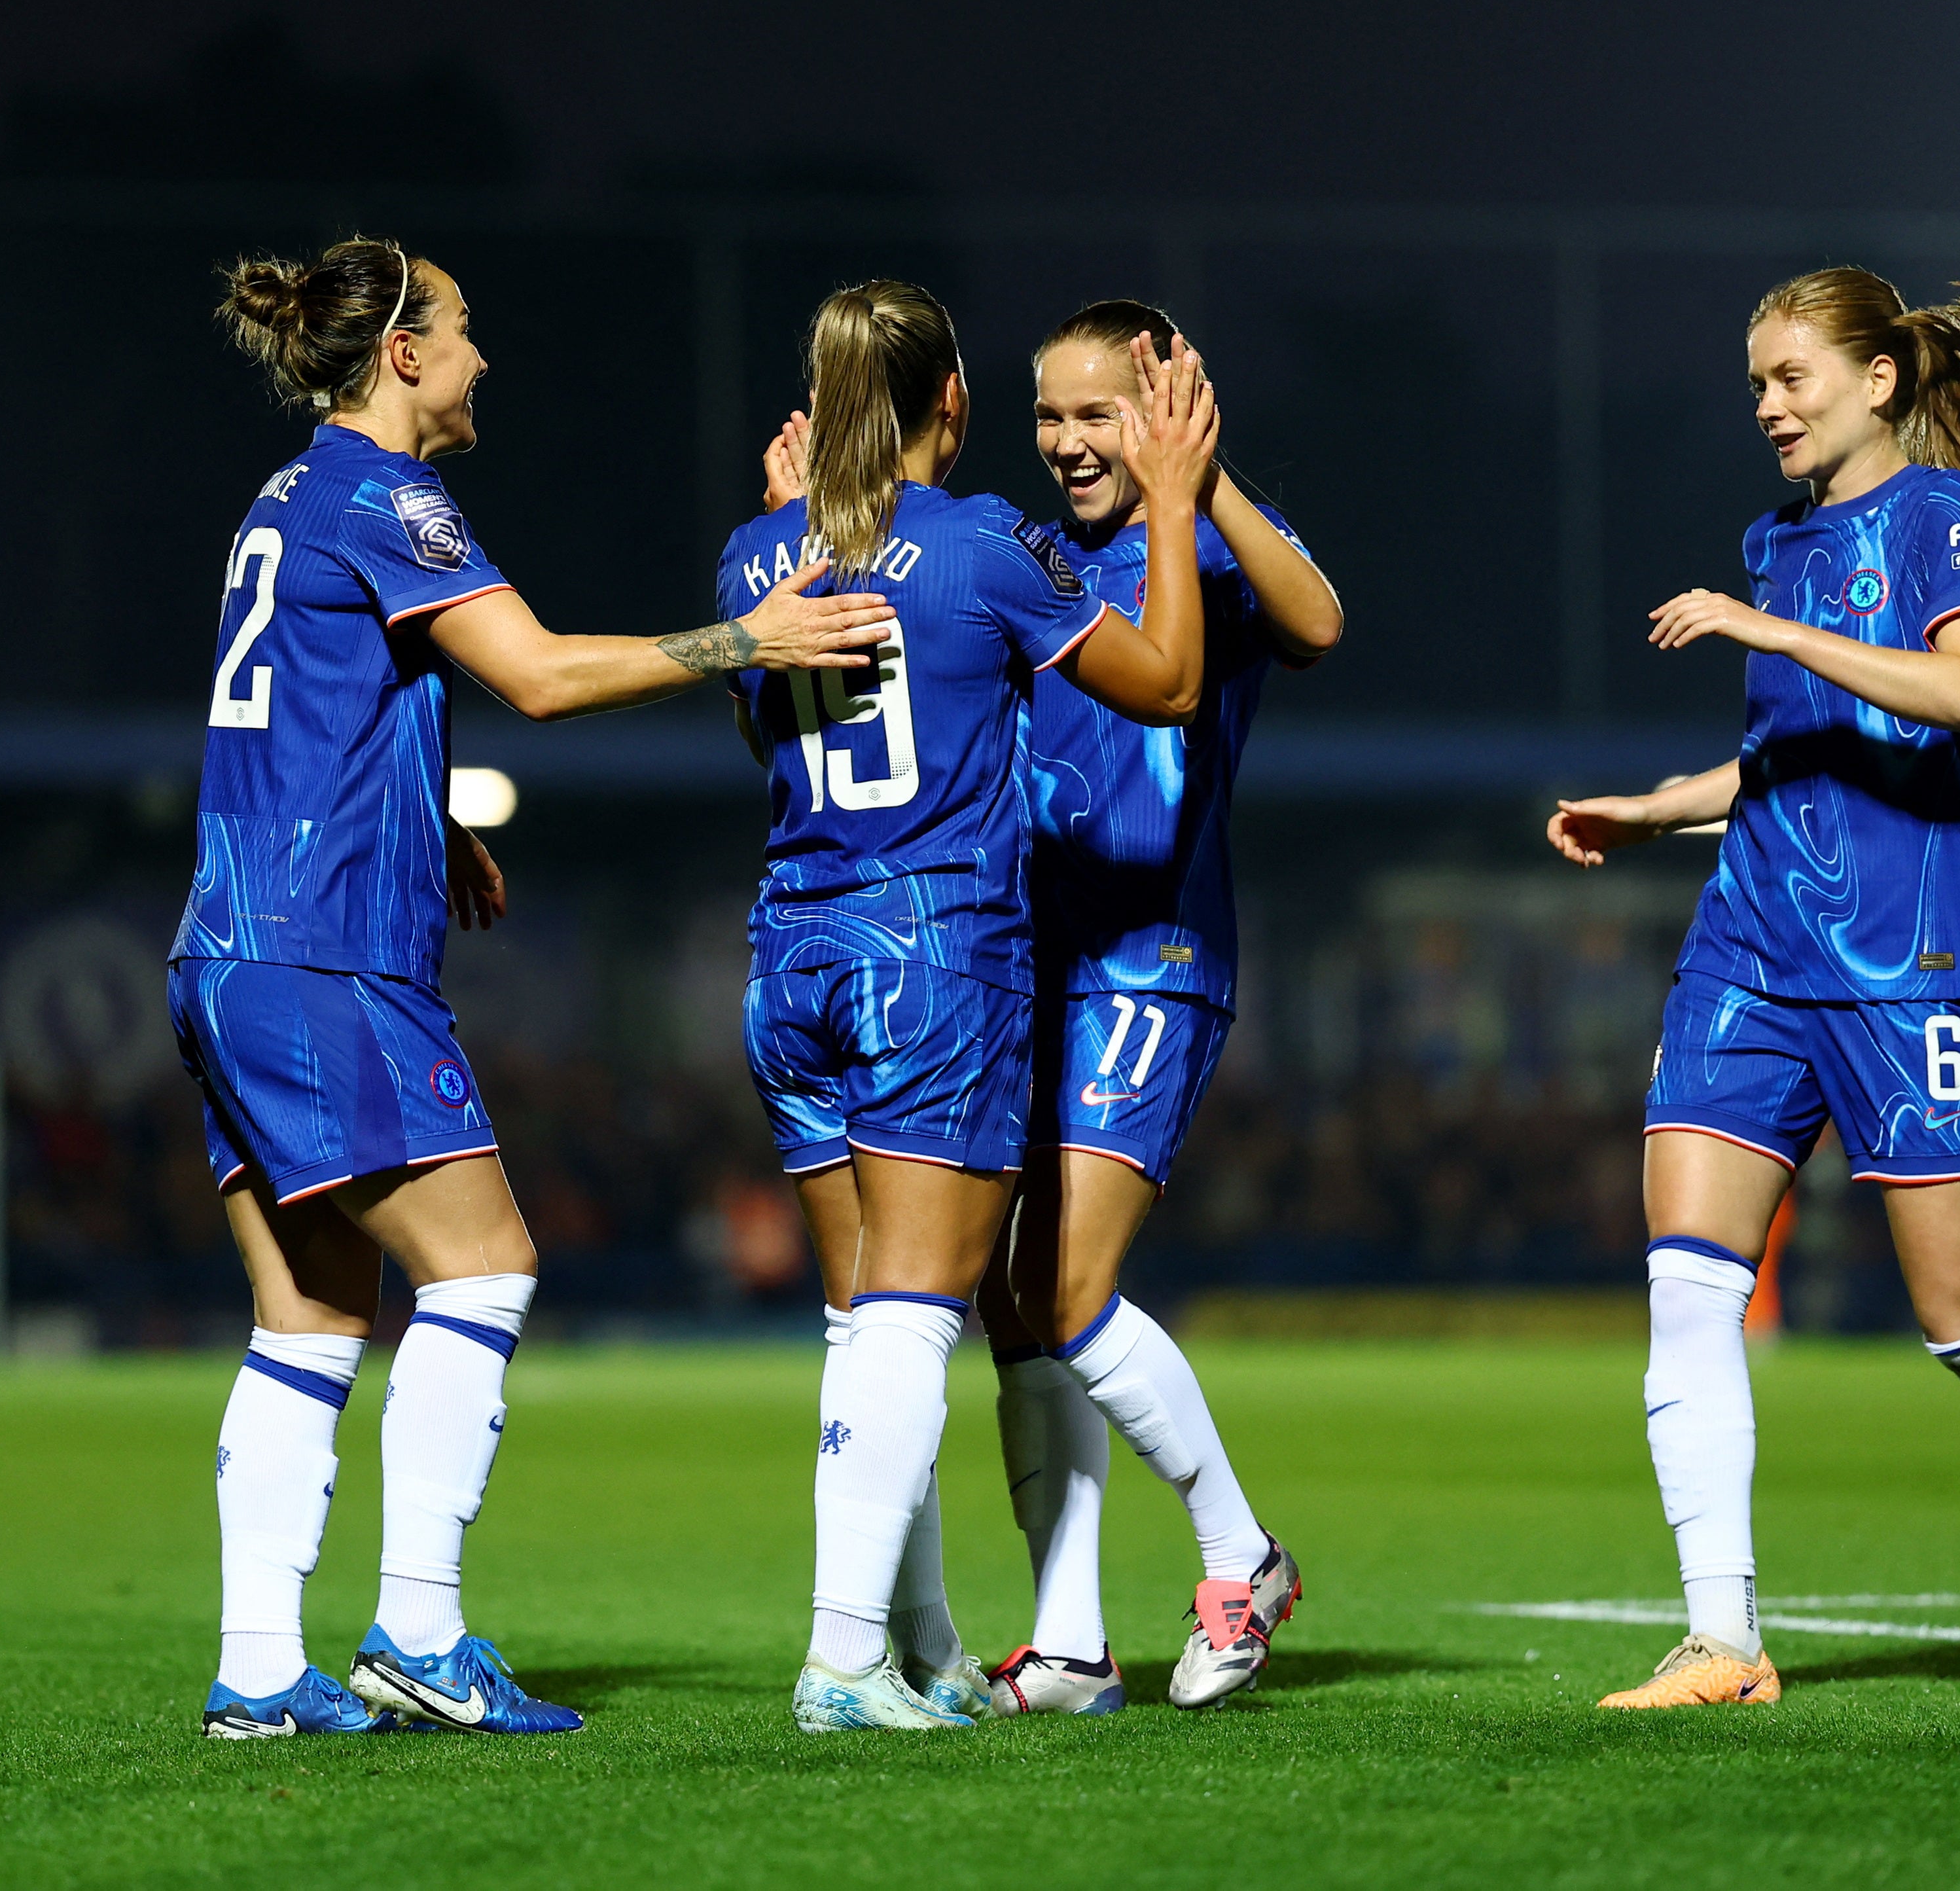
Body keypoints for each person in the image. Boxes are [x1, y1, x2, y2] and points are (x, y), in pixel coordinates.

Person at [185, 238, 886, 1738]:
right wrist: (745, 640)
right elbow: (544, 676)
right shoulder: (389, 494)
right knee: (487, 1266)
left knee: (308, 1319)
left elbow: (305, 706)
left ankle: (256, 1671)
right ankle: (419, 1638)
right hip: (322, 958)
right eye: (465, 329)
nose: (486, 357)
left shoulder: (285, 499)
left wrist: (423, 823)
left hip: (231, 950)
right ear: (405, 357)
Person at [1546, 266, 1960, 1704]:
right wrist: (1656, 807)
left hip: (1915, 961)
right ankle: (1722, 1638)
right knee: (1689, 1284)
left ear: (1876, 381)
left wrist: (1763, 632)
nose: (1765, 405)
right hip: (1750, 947)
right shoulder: (1776, 539)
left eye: (1789, 377)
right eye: (1754, 382)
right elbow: (1795, 751)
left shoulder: (1943, 514)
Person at [717, 280, 1219, 1733]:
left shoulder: (755, 551)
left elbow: (764, 720)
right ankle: (838, 1662)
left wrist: (787, 529)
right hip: (930, 952)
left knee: (862, 1319)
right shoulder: (987, 546)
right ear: (953, 402)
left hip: (789, 951)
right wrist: (1171, 504)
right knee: (910, 1319)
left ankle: (924, 1648)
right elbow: (1170, 681)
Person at [967, 298, 1343, 1714]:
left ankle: (1240, 1556)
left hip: (1152, 958)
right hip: (1026, 964)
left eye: (1097, 412)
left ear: (1165, 406)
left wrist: (1206, 479)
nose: (1067, 442)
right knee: (1014, 1301)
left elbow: (1318, 621)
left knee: (1067, 1290)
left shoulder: (1204, 546)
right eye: (1049, 415)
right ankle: (1065, 1644)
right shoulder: (1034, 560)